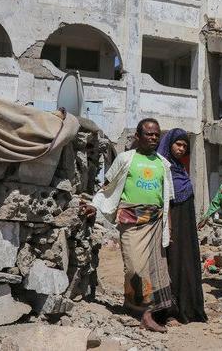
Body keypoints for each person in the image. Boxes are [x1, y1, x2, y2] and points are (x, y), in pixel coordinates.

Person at [81, 118, 174, 333]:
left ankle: (146, 314)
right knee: (134, 267)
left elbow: (167, 198)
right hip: (130, 220)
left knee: (154, 270)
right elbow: (107, 186)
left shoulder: (163, 163)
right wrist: (94, 204)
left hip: (155, 222)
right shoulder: (125, 159)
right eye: (149, 134)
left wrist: (169, 227)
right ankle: (135, 305)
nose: (153, 138)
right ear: (138, 137)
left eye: (156, 134)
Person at [157, 128, 207, 324]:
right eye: (178, 144)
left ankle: (188, 307)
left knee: (186, 262)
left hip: (185, 227)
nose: (182, 149)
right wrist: (168, 228)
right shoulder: (162, 168)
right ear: (169, 144)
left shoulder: (180, 169)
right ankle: (170, 310)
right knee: (172, 263)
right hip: (170, 225)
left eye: (185, 146)